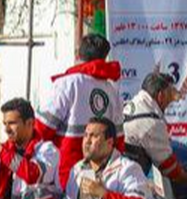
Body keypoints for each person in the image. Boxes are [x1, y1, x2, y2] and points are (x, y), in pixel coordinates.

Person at [35, 33, 124, 188]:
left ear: (78, 54)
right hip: (102, 169)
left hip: (67, 169)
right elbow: (119, 139)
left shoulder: (67, 83)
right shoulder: (112, 88)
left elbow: (42, 129)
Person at [43, 118, 149, 199]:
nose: (87, 141)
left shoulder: (129, 168)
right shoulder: (78, 169)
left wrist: (105, 195)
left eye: (94, 136)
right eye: (86, 135)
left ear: (109, 142)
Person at [124, 70, 187, 199]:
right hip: (126, 190)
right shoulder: (151, 123)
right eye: (170, 95)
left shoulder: (133, 105)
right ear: (160, 96)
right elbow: (171, 170)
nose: (172, 100)